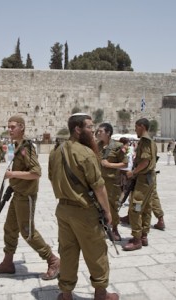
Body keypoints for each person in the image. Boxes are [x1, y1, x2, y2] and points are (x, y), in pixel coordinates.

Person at [49, 113, 119, 300]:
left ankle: (65, 294)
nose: (93, 131)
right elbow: (99, 186)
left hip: (63, 210)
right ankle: (101, 294)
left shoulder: (56, 152)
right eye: (89, 127)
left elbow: (51, 178)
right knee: (96, 252)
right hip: (84, 212)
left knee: (68, 251)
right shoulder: (86, 153)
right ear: (78, 129)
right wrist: (107, 212)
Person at [0, 115, 60, 281]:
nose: (10, 129)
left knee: (27, 232)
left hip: (26, 196)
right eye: (9, 126)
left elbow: (36, 172)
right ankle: (8, 262)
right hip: (17, 194)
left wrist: (12, 174)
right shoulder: (16, 145)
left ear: (22, 127)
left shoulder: (26, 148)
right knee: (10, 228)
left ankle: (52, 260)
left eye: (13, 127)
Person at [122, 118, 157, 251]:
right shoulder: (150, 141)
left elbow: (145, 161)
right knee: (146, 207)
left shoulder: (146, 141)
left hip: (143, 179)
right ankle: (143, 236)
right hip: (148, 179)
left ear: (141, 126)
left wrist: (133, 172)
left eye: (136, 127)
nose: (135, 130)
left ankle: (137, 239)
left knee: (135, 207)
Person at [96, 123, 128, 241]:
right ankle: (102, 227)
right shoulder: (97, 146)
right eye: (98, 131)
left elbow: (125, 164)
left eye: (101, 131)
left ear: (108, 133)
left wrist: (110, 165)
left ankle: (114, 229)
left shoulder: (118, 146)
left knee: (113, 207)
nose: (98, 133)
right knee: (98, 206)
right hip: (99, 182)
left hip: (112, 183)